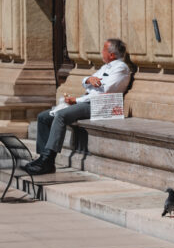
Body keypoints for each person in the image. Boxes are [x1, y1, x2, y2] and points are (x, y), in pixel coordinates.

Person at [22, 38, 133, 174]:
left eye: (104, 49)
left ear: (112, 54)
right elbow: (85, 82)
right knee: (43, 117)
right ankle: (42, 158)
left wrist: (78, 100)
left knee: (61, 116)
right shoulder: (106, 67)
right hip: (88, 101)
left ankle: (48, 160)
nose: (101, 52)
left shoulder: (121, 68)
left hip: (99, 105)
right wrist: (89, 79)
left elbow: (105, 90)